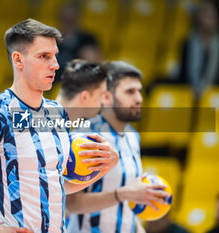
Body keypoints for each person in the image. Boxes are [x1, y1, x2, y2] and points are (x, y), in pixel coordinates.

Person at [0, 19, 118, 233]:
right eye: (44, 56)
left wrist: (102, 168)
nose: (55, 64)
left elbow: (53, 185)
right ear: (18, 59)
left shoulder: (58, 114)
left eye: (54, 55)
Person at [66, 61, 171, 233]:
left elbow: (127, 204)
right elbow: (73, 204)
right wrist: (124, 194)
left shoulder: (133, 136)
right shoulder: (86, 136)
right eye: (130, 92)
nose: (139, 98)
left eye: (139, 91)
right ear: (106, 97)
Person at [178, 0, 219, 100]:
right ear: (199, 16)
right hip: (189, 92)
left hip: (213, 95)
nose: (209, 18)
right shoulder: (188, 43)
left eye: (212, 15)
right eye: (206, 13)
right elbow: (183, 76)